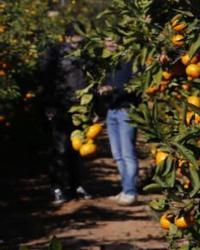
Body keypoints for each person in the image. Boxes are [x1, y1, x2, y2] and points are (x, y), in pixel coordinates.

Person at [40, 26, 92, 205]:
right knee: (59, 149)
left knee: (77, 149)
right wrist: (49, 106)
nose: (79, 45)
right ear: (67, 38)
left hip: (79, 110)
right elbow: (46, 81)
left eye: (81, 42)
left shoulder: (85, 55)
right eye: (77, 42)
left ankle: (76, 185)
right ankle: (57, 188)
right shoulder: (55, 54)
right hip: (60, 108)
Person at [99, 40, 139, 206]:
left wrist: (114, 89)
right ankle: (125, 189)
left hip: (126, 111)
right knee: (118, 155)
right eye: (107, 41)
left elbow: (136, 85)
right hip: (112, 111)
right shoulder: (109, 62)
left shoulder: (131, 60)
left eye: (113, 41)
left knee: (128, 154)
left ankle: (131, 192)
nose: (110, 44)